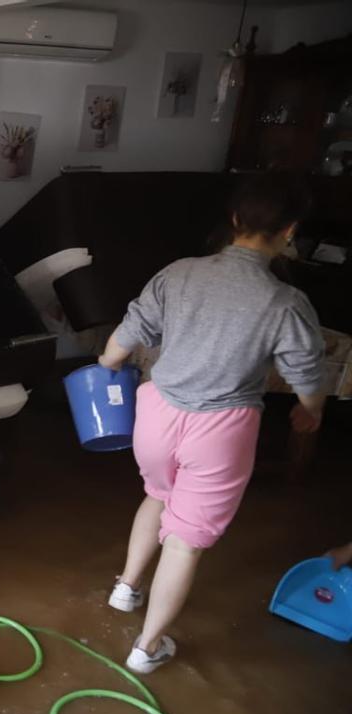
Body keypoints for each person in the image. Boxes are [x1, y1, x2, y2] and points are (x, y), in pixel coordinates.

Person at [99, 171, 327, 674]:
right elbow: (308, 373)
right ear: (290, 230)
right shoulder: (285, 302)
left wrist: (106, 365)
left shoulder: (178, 273)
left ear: (234, 218)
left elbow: (126, 336)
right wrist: (311, 409)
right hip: (221, 428)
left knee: (157, 496)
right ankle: (146, 648)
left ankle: (126, 588)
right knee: (184, 541)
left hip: (156, 413)